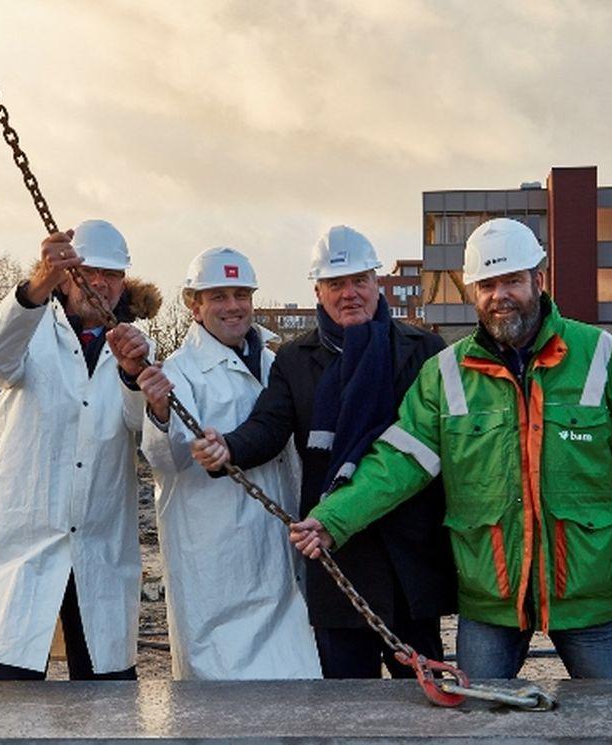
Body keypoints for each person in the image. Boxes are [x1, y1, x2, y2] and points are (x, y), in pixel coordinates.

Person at [291, 217, 612, 680]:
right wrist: (335, 518)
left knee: (609, 722)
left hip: (591, 594)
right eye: (487, 284)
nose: (500, 296)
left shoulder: (602, 356)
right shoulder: (445, 373)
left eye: (512, 281)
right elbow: (398, 462)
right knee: (479, 723)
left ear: (538, 280)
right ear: (472, 292)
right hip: (491, 597)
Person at [190, 227, 457, 679]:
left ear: (377, 283)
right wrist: (228, 447)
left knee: (422, 702)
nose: (349, 293)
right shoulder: (295, 361)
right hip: (337, 557)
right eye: (336, 284)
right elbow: (269, 427)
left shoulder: (424, 351)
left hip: (409, 556)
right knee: (344, 708)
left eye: (359, 281)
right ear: (318, 291)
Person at [0, 219, 161, 681]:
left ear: (123, 283)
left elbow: (141, 425)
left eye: (111, 275)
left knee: (107, 700)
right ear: (65, 276)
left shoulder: (131, 347)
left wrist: (134, 375)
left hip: (98, 541)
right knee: (7, 699)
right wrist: (37, 285)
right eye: (86, 271)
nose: (98, 283)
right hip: (25, 541)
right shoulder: (31, 329)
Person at [129, 247, 321, 680]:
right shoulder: (180, 371)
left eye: (241, 295)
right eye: (218, 297)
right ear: (194, 306)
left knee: (291, 678)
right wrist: (159, 410)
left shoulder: (275, 362)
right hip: (215, 557)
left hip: (276, 542)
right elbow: (166, 458)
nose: (232, 307)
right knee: (219, 688)